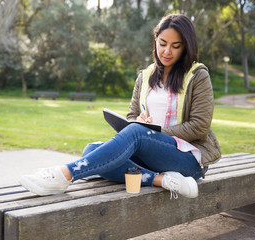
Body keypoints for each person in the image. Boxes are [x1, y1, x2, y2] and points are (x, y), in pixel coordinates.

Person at [20, 14, 221, 199]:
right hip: (150, 156)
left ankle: (64, 175)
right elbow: (133, 115)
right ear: (155, 41)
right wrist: (140, 123)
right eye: (162, 43)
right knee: (91, 150)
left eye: (176, 46)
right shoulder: (145, 76)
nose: (167, 51)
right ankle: (162, 180)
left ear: (186, 47)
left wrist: (154, 133)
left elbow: (199, 126)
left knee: (134, 134)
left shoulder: (198, 76)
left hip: (187, 160)